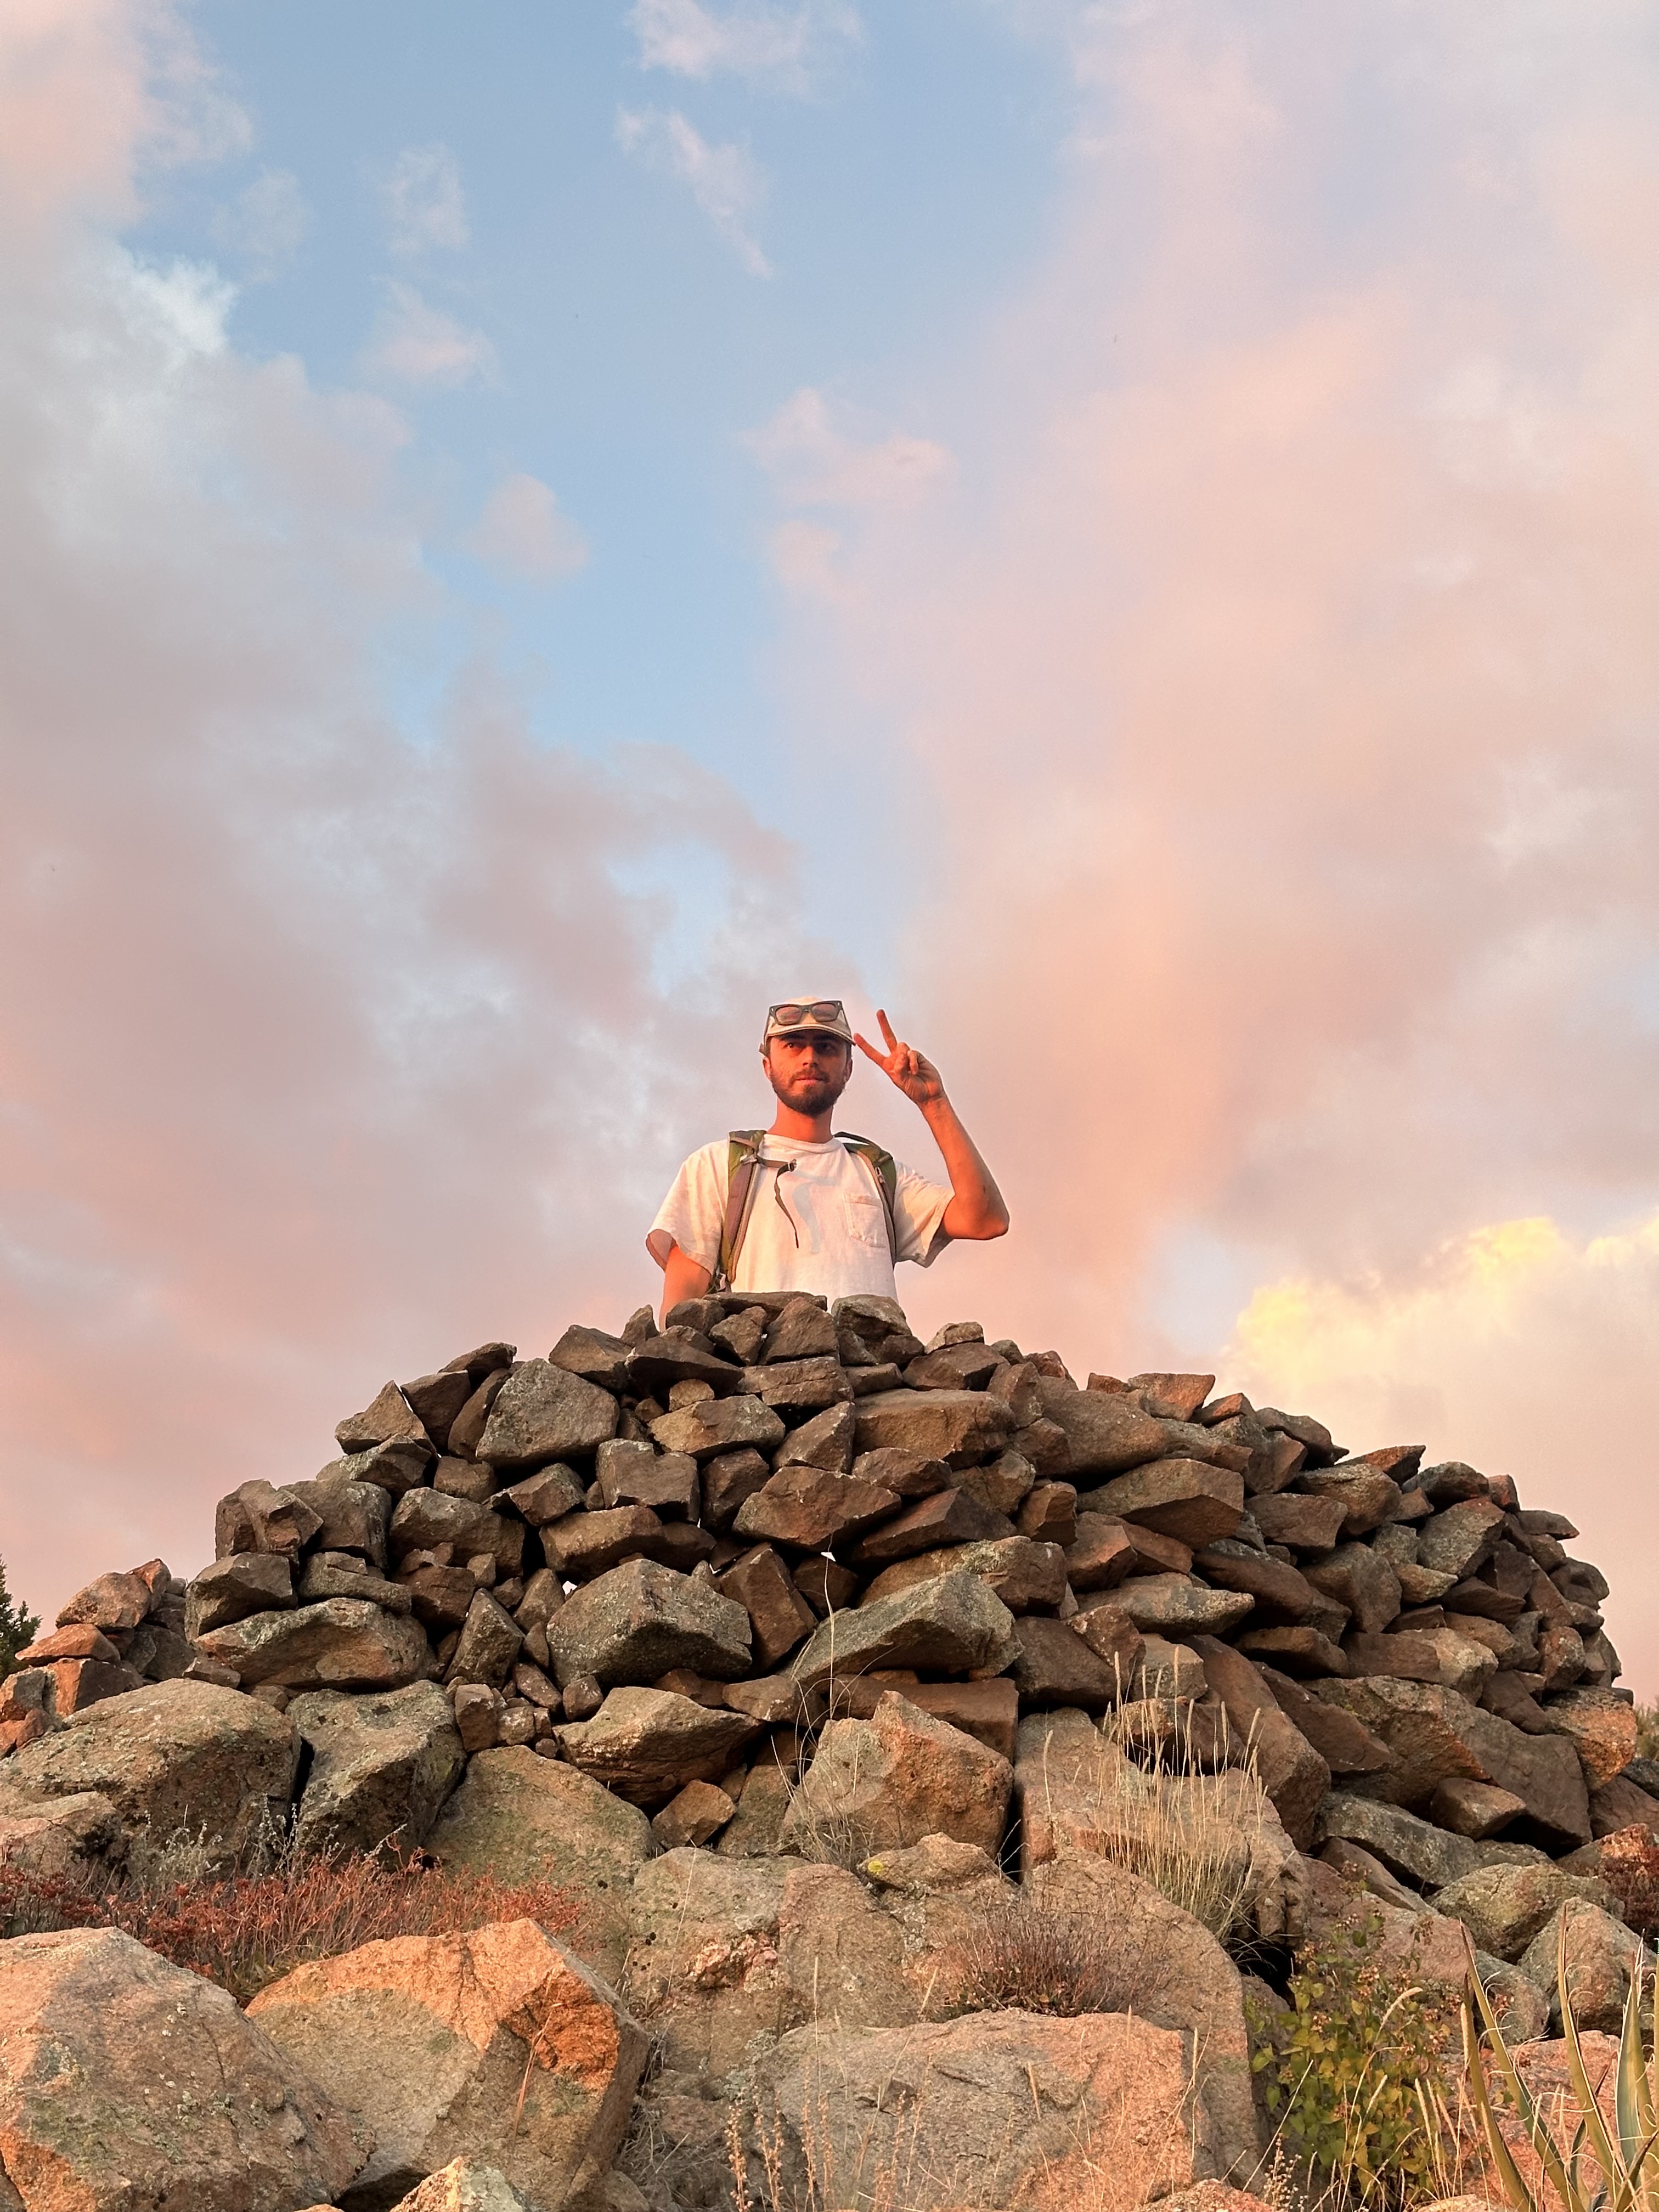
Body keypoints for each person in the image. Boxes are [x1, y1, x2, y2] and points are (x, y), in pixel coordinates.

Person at [647, 996, 1009, 1318]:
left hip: (869, 1389)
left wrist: (934, 1103)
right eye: (793, 1045)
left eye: (826, 1047)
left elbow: (986, 1220)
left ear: (848, 1068)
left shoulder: (877, 1173)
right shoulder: (716, 1166)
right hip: (758, 1390)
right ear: (767, 1066)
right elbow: (681, 1310)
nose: (810, 1058)